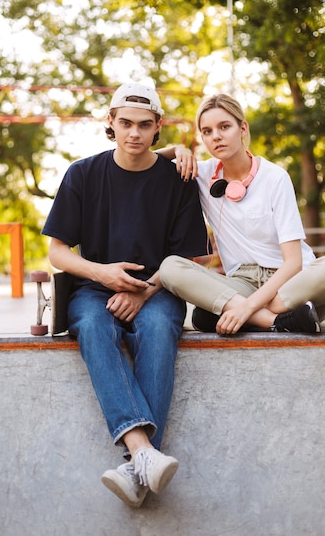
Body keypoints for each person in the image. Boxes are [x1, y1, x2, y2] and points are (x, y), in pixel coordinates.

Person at [42, 83, 208, 508]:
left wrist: (143, 292)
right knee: (94, 326)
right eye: (126, 123)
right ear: (111, 124)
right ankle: (144, 453)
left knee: (156, 328)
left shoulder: (179, 180)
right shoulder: (82, 174)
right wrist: (103, 274)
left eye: (144, 125)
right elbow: (56, 250)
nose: (134, 132)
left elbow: (189, 258)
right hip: (95, 290)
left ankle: (136, 464)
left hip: (161, 290)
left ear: (157, 129)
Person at [159, 93, 325, 335]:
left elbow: (293, 262)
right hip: (242, 282)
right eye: (207, 131)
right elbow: (149, 160)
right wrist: (178, 149)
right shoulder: (202, 174)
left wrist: (245, 307)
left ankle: (241, 313)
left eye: (224, 126)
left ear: (242, 128)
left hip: (290, 285)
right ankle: (281, 321)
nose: (216, 135)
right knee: (170, 267)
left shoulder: (274, 177)